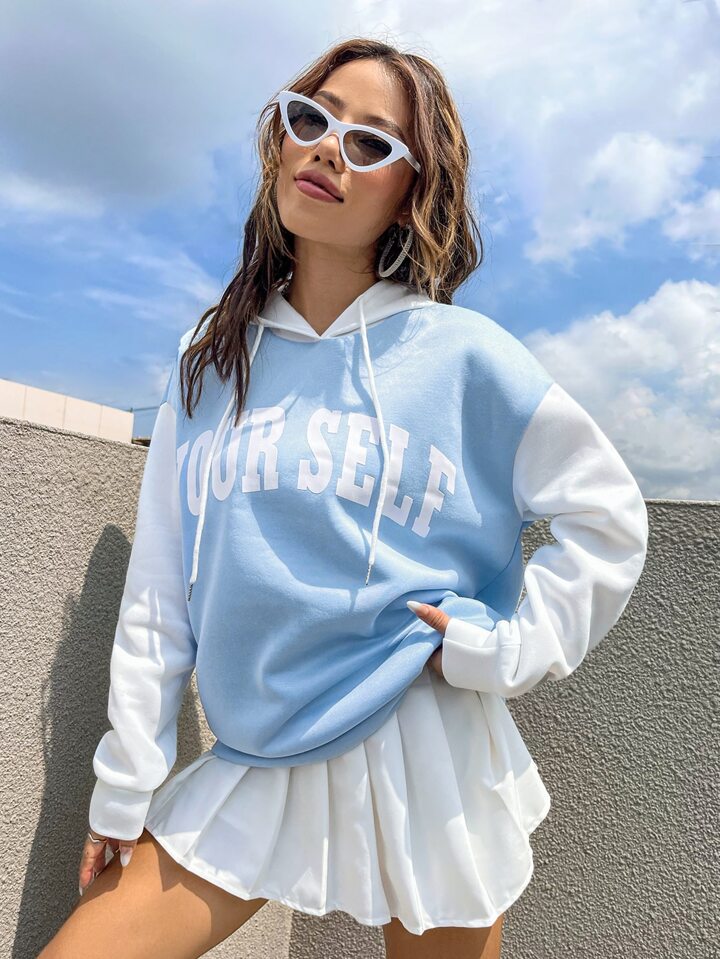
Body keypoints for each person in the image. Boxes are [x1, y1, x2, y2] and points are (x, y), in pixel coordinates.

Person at [39, 38, 649, 959]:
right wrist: (125, 784)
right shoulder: (212, 362)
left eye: (370, 142)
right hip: (260, 750)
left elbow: (609, 517)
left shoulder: (463, 356)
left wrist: (507, 648)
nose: (329, 147)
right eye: (312, 118)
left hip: (426, 751)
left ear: (410, 191)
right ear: (281, 140)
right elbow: (160, 594)